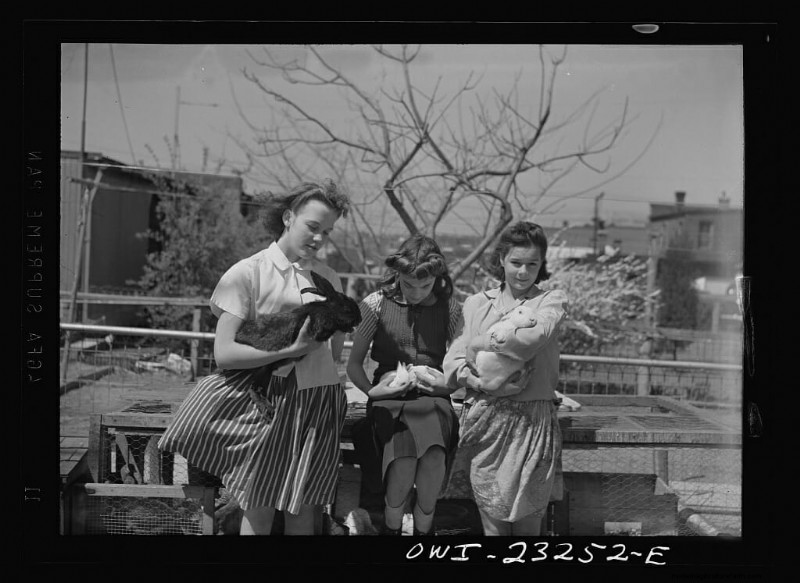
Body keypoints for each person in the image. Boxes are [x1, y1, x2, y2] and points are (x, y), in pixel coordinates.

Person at [158, 180, 351, 535]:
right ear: (288, 217)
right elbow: (225, 353)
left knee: (304, 509)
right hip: (268, 404)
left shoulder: (329, 277)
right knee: (258, 505)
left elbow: (334, 351)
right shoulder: (247, 273)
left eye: (327, 231)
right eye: (313, 227)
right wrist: (290, 351)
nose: (319, 239)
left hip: (319, 399)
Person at [442, 221, 568, 536]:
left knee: (528, 525)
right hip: (487, 421)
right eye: (516, 263)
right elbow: (452, 363)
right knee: (493, 526)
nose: (524, 272)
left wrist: (479, 343)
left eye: (532, 264)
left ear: (542, 264)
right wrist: (483, 383)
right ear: (501, 260)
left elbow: (530, 341)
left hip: (533, 423)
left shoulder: (550, 302)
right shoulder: (475, 304)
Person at [346, 235, 463, 535]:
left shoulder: (451, 309)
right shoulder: (375, 304)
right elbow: (354, 365)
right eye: (409, 284)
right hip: (388, 397)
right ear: (397, 274)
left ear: (438, 278)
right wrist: (374, 392)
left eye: (425, 286)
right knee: (404, 457)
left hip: (434, 398)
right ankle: (392, 525)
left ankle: (424, 529)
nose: (416, 292)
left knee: (435, 455)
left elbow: (459, 365)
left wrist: (444, 386)